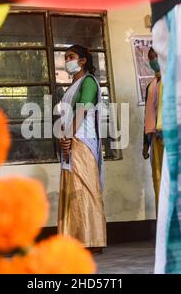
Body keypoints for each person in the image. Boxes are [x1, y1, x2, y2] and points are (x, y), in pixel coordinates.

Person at [57, 45, 107, 254]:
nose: (67, 60)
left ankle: (91, 239)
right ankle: (74, 238)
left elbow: (83, 110)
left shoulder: (88, 82)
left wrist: (68, 136)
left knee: (85, 188)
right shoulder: (72, 86)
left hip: (83, 140)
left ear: (83, 60)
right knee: (72, 190)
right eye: (66, 57)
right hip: (70, 140)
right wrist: (63, 137)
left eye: (72, 56)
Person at [142, 47, 164, 217]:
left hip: (172, 136)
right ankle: (163, 223)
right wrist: (145, 143)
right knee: (158, 180)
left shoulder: (173, 80)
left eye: (156, 55)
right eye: (150, 57)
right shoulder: (151, 84)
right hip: (154, 137)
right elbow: (147, 113)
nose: (153, 59)